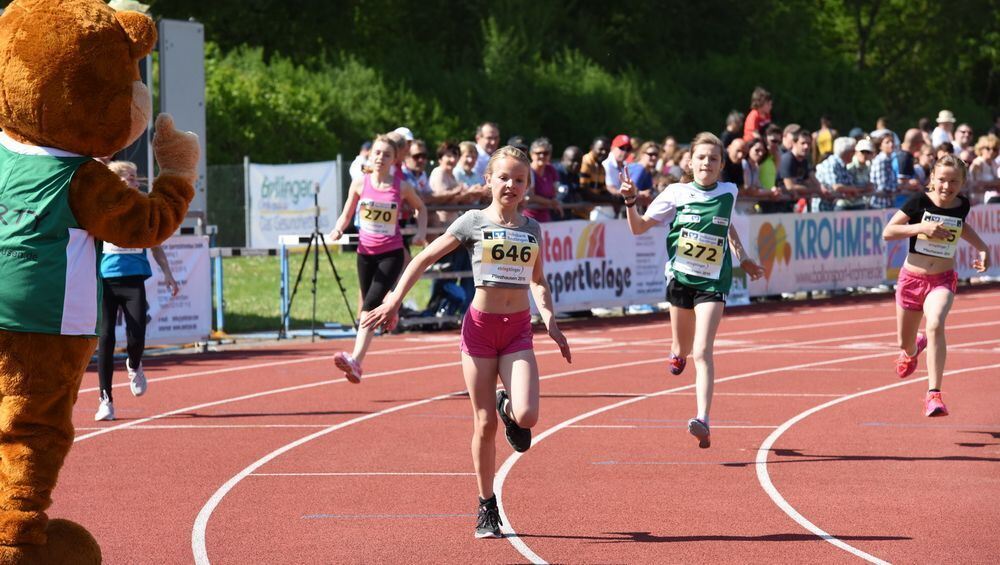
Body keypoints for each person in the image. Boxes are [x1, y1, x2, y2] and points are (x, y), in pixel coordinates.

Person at [363, 146, 571, 539]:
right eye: (504, 177)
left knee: (526, 416)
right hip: (479, 328)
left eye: (520, 179)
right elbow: (422, 258)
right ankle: (486, 504)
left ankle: (506, 402)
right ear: (489, 180)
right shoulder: (472, 222)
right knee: (484, 424)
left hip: (517, 330)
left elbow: (538, 281)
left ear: (528, 186)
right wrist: (393, 300)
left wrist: (551, 321)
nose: (512, 185)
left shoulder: (531, 228)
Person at [619, 133, 764, 448]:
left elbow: (728, 226)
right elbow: (638, 227)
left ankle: (703, 419)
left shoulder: (730, 191)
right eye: (701, 158)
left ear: (721, 165)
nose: (707, 164)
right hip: (681, 280)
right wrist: (630, 201)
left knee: (703, 351)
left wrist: (744, 257)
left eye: (713, 159)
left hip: (713, 282)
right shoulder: (676, 192)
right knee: (683, 347)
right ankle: (675, 352)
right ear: (690, 161)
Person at [882, 155, 990, 417]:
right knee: (903, 343)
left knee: (935, 323)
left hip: (942, 279)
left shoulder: (961, 204)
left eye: (954, 181)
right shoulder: (919, 202)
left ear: (962, 182)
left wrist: (983, 248)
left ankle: (934, 394)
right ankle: (912, 349)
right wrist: (922, 227)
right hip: (911, 279)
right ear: (932, 179)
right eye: (942, 180)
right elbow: (888, 232)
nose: (947, 186)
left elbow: (961, 227)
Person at [328, 135, 427, 382]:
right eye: (377, 153)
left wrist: (421, 232)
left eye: (387, 154)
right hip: (365, 254)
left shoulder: (401, 186)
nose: (381, 158)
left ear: (395, 160)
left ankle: (356, 361)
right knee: (371, 302)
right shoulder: (360, 183)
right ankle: (391, 313)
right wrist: (338, 229)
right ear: (369, 156)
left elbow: (421, 208)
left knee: (368, 307)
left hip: (391, 254)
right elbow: (346, 213)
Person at [94, 161, 181, 421]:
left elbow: (155, 242)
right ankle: (105, 401)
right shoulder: (102, 205)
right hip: (106, 279)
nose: (135, 181)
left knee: (137, 334)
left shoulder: (142, 206)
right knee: (105, 339)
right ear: (117, 180)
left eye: (135, 177)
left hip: (133, 279)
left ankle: (134, 364)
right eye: (130, 177)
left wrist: (167, 272)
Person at [524, 137, 561, 222]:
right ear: (531, 154)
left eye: (546, 153)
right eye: (538, 153)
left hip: (546, 217)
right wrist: (550, 202)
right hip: (529, 217)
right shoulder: (527, 171)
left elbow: (556, 190)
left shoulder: (551, 169)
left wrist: (555, 200)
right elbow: (530, 197)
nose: (542, 156)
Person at [869, 132, 898, 209]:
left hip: (887, 203)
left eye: (892, 141)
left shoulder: (889, 159)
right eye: (887, 142)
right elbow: (882, 185)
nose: (891, 144)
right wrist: (899, 187)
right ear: (880, 146)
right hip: (879, 204)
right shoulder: (881, 160)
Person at [969, 134, 1000, 203]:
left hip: (992, 201)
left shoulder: (994, 164)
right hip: (978, 201)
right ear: (981, 149)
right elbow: (974, 184)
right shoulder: (977, 164)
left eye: (994, 149)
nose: (991, 151)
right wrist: (995, 183)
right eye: (988, 148)